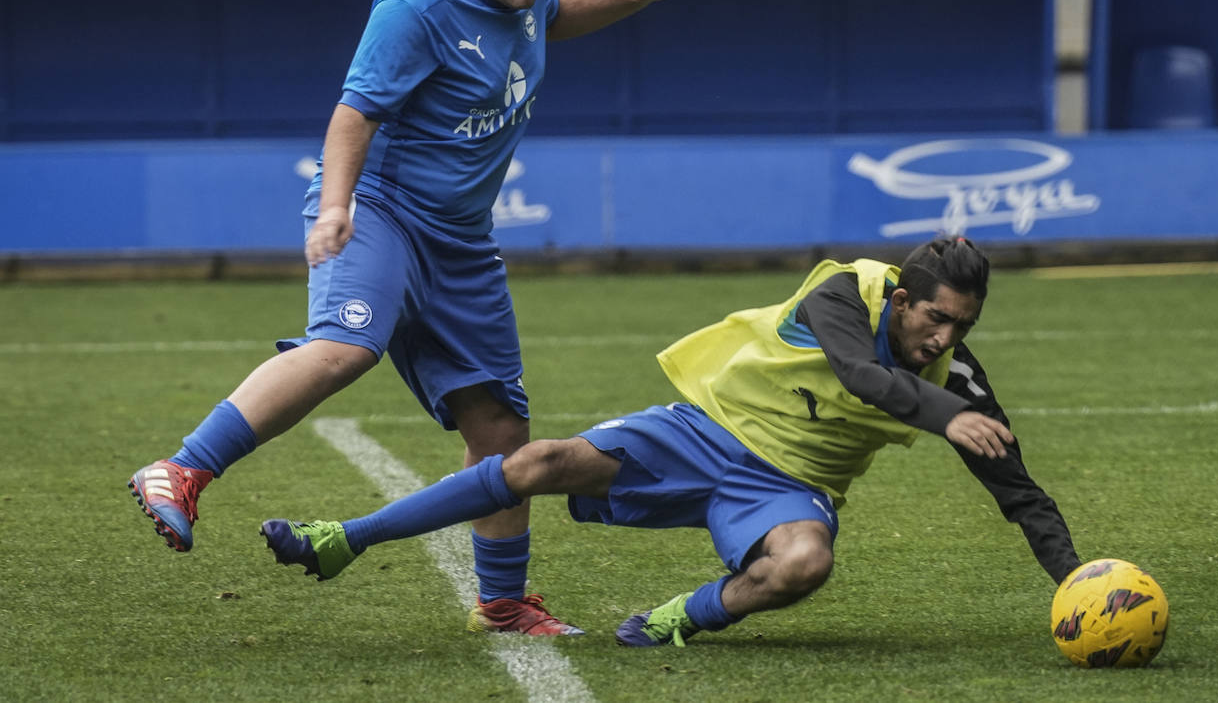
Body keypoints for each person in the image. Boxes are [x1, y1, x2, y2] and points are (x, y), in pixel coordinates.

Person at [128, 0, 706, 637]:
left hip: (462, 241)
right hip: (383, 212)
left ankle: (502, 603)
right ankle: (184, 468)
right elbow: (352, 116)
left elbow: (557, 13)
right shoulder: (416, 3)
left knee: (500, 432)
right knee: (345, 347)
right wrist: (335, 209)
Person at [259, 237, 1082, 646]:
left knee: (804, 564)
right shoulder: (845, 290)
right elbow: (861, 376)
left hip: (786, 491)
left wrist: (1078, 581)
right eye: (935, 317)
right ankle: (345, 541)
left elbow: (1019, 491)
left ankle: (674, 620)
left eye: (961, 327)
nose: (944, 338)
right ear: (902, 299)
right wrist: (944, 419)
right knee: (539, 461)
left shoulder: (955, 381)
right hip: (700, 432)